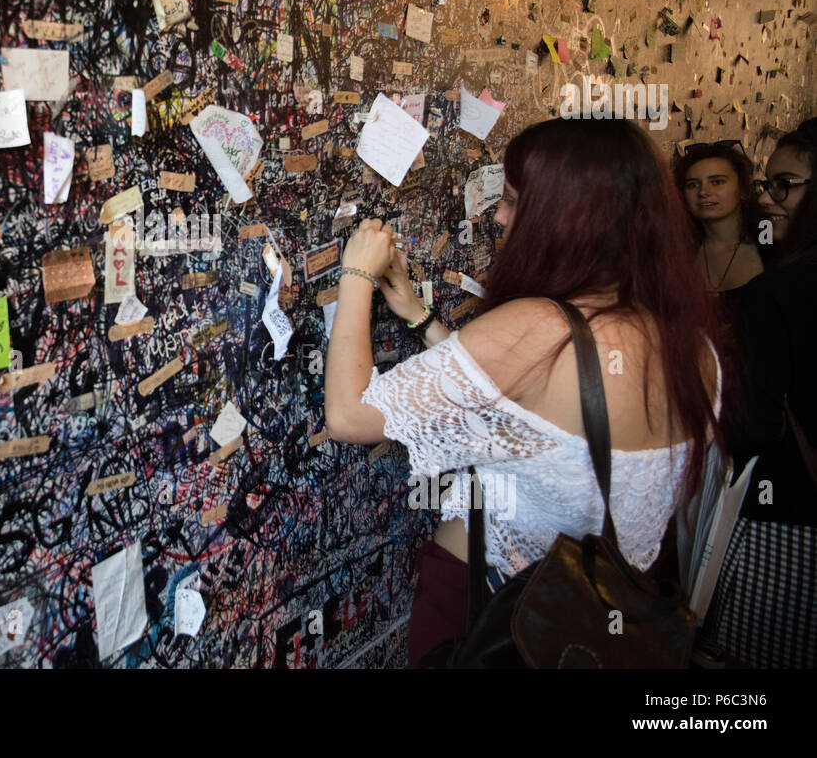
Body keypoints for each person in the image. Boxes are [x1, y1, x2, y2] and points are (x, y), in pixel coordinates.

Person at [324, 117, 723, 667]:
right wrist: (420, 319)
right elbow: (532, 407)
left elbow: (348, 415)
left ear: (567, 217)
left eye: (513, 201)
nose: (501, 216)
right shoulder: (693, 349)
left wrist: (355, 275)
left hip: (493, 615)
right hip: (598, 617)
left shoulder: (537, 329)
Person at [704, 117, 817, 668]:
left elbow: (755, 420)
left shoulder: (781, 284)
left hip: (787, 512)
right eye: (770, 185)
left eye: (787, 185)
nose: (775, 201)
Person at [673, 141, 765, 302]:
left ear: (743, 189)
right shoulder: (677, 253)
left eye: (717, 182)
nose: (703, 192)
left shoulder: (769, 244)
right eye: (692, 185)